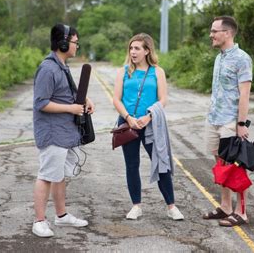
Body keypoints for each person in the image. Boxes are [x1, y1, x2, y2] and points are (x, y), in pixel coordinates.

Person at [32, 23, 95, 237]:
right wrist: (71, 108)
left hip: (65, 132)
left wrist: (84, 100)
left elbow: (65, 92)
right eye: (75, 42)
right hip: (52, 133)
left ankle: (61, 216)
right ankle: (39, 221)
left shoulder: (62, 66)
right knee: (47, 175)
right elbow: (41, 103)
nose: (77, 46)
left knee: (59, 176)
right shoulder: (48, 69)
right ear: (63, 43)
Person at [112, 33, 184, 221]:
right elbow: (116, 99)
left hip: (151, 123)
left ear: (147, 51)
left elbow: (163, 99)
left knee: (162, 164)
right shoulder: (123, 71)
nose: (133, 52)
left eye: (137, 48)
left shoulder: (157, 71)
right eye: (131, 48)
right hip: (128, 124)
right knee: (132, 165)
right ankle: (136, 206)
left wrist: (149, 116)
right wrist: (128, 117)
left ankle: (171, 206)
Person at [202, 16, 253, 227]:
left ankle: (241, 212)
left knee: (235, 167)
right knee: (220, 165)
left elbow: (244, 95)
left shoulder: (242, 58)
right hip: (214, 118)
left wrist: (241, 125)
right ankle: (225, 207)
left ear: (227, 33)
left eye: (214, 31)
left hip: (230, 122)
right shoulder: (219, 57)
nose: (211, 35)